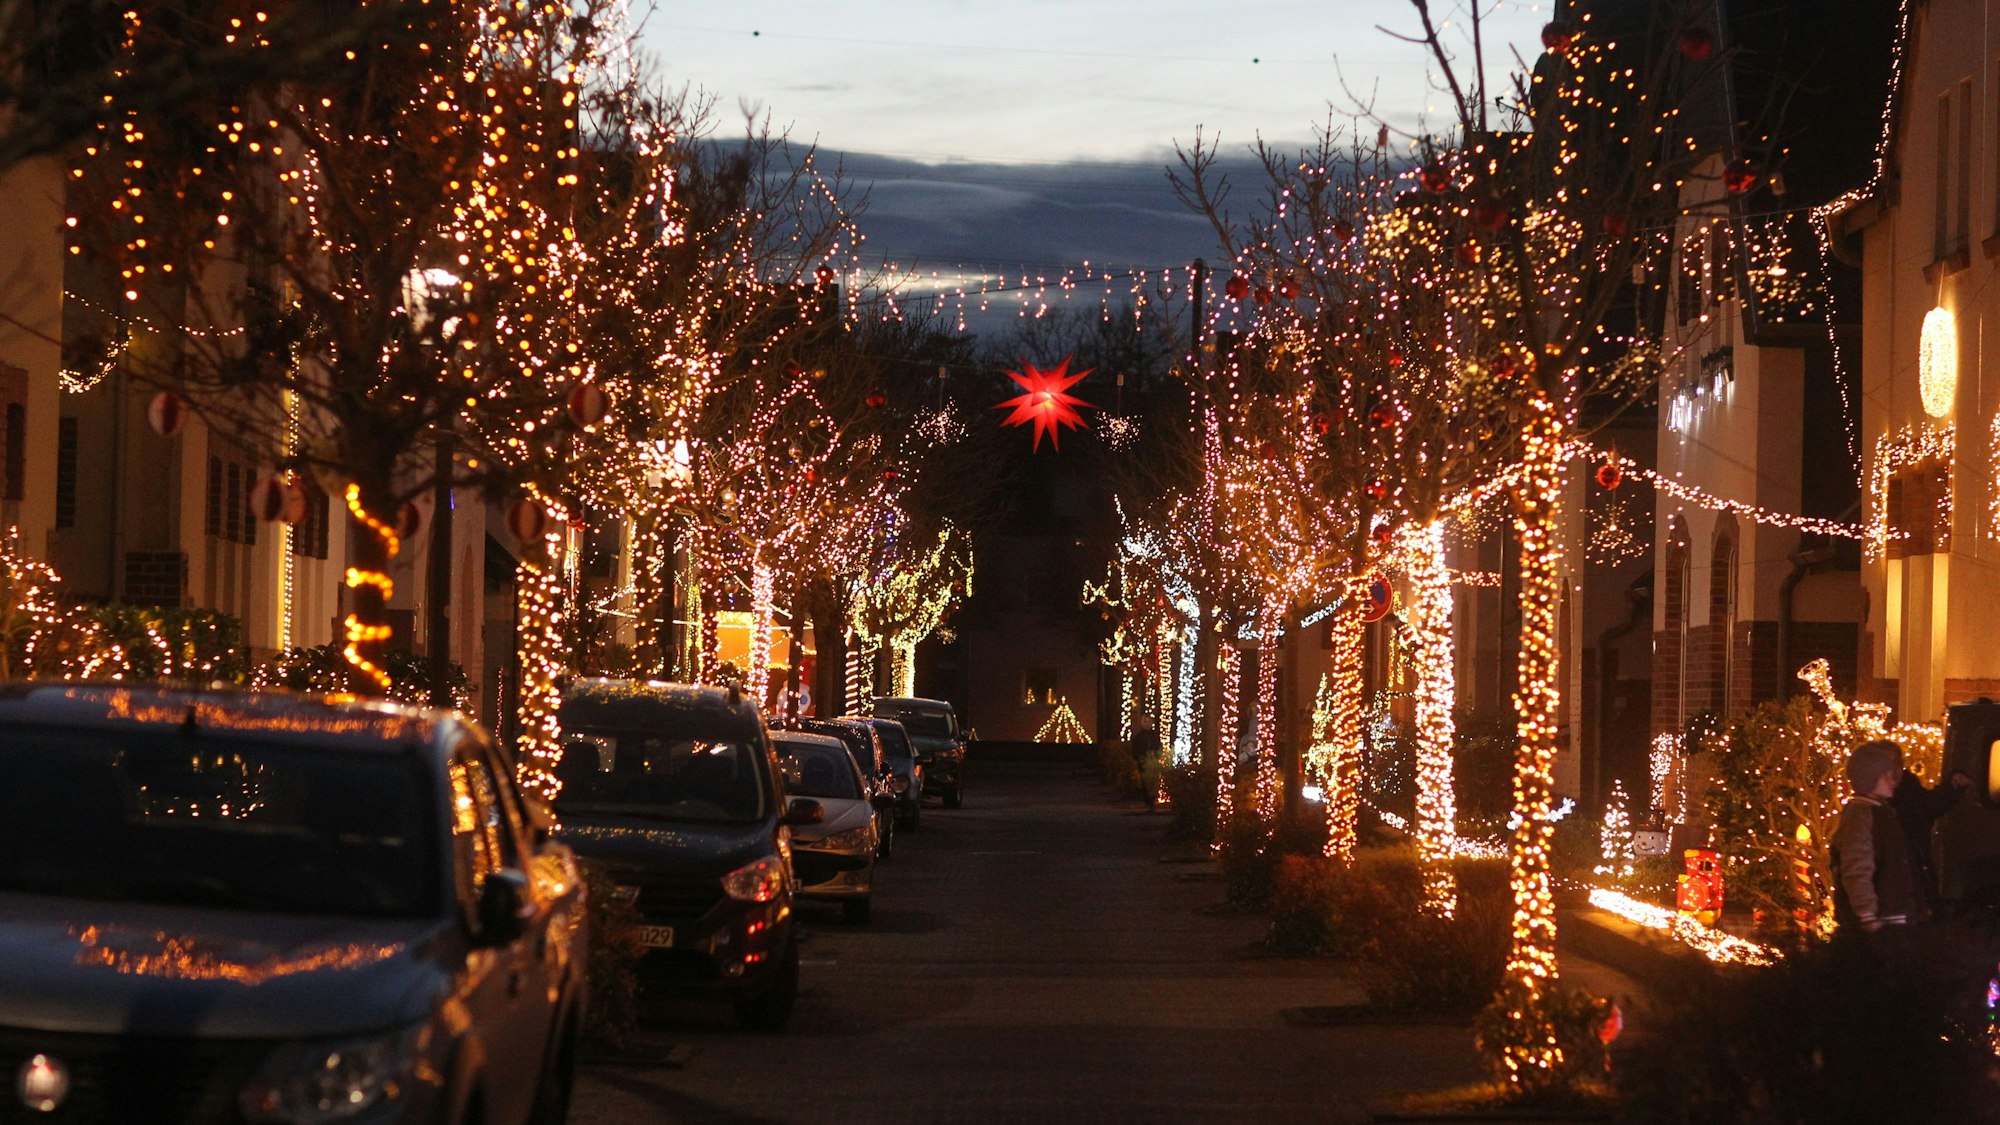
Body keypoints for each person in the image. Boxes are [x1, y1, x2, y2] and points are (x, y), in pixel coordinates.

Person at [1831, 740, 1923, 933]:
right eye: (1888, 775)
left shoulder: (1883, 811)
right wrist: (1867, 915)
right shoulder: (1861, 814)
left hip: (1894, 916)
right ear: (1870, 777)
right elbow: (1857, 866)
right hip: (1882, 920)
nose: (1895, 780)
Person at [1129, 715, 1162, 805]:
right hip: (1142, 762)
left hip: (1153, 761)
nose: (1147, 724)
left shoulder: (1155, 736)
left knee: (1153, 781)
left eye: (1149, 722)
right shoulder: (1138, 737)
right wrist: (1138, 759)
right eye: (1145, 722)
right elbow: (1134, 750)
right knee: (1144, 781)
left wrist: (1156, 756)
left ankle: (1152, 799)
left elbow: (1158, 747)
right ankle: (1147, 800)